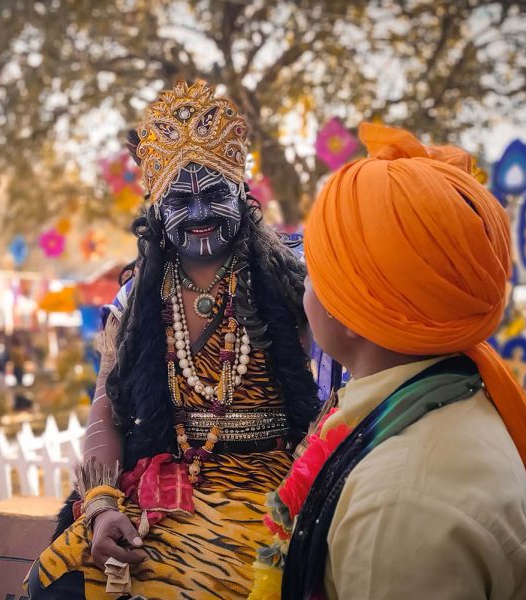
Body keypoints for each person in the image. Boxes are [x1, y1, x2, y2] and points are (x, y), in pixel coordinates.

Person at [251, 123, 526, 599]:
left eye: (316, 273)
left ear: (356, 309)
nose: (304, 292)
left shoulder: (399, 502)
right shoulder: (453, 396)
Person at [27, 80, 319, 599]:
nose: (200, 213)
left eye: (215, 195)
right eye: (180, 200)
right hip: (165, 486)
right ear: (156, 210)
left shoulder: (289, 283)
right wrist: (101, 507)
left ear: (241, 194)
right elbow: (107, 408)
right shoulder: (138, 301)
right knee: (56, 574)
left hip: (269, 488)